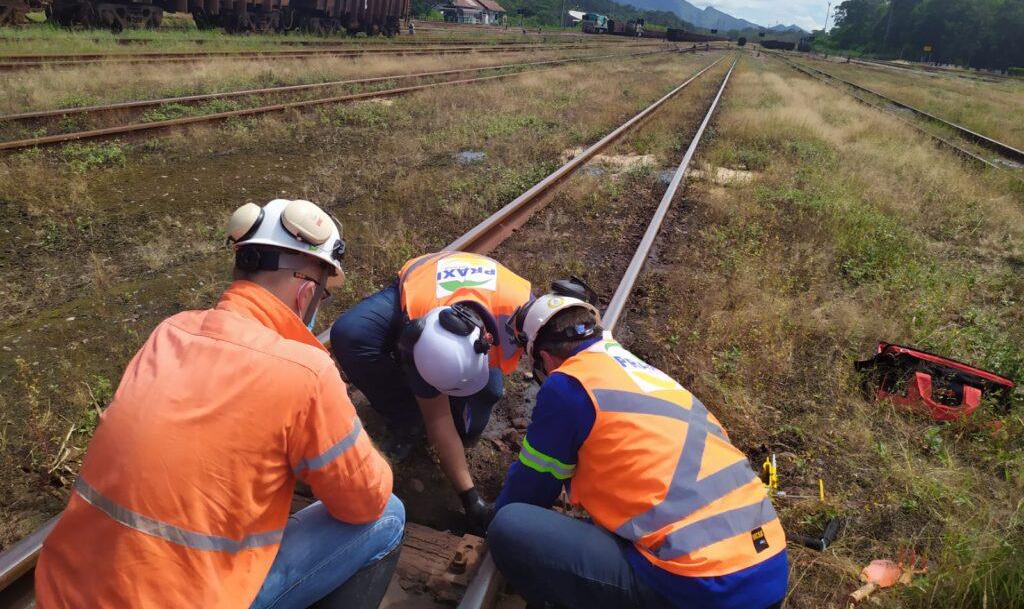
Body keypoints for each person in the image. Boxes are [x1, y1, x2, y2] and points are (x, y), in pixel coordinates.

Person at [36, 199, 404, 609]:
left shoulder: (169, 332)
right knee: (388, 514)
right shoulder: (306, 371)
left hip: (63, 592)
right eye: (324, 295)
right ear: (305, 292)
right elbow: (364, 499)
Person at [487, 288, 788, 609]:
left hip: (706, 589)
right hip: (769, 567)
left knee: (510, 525)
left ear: (545, 359)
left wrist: (489, 521)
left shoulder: (568, 385)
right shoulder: (646, 375)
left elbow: (530, 490)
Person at [330, 250, 531, 533]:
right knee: (351, 333)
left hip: (486, 298)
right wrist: (470, 499)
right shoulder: (422, 338)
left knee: (476, 417)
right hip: (425, 282)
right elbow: (439, 421)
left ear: (488, 342)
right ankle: (407, 419)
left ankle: (462, 403)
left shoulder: (521, 313)